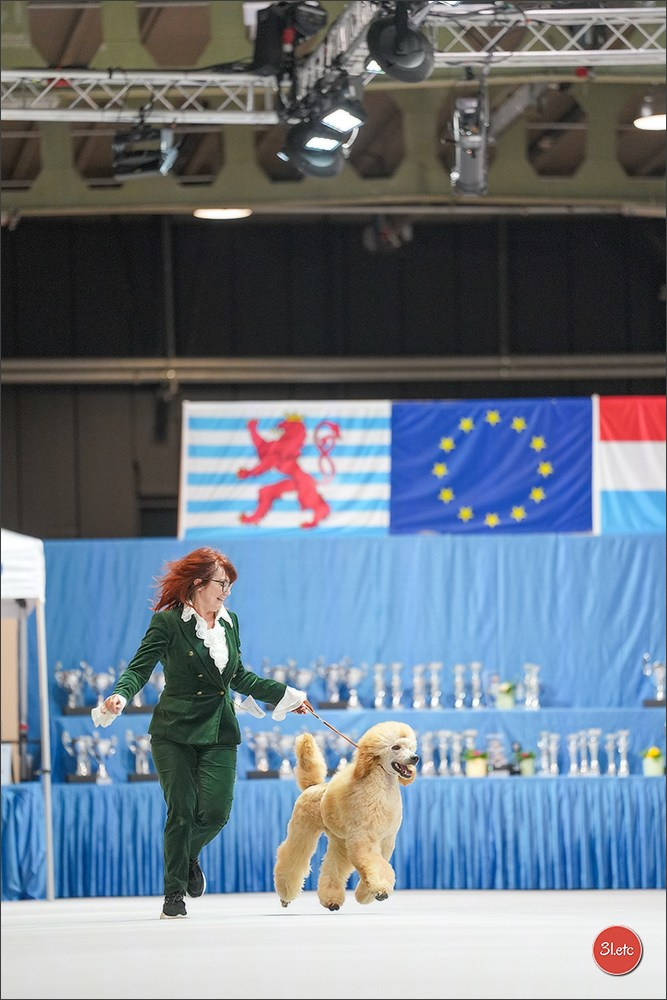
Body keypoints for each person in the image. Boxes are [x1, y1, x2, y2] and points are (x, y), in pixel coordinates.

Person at [94, 546, 312, 919]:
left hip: (219, 730)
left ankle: (188, 854)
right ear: (198, 583)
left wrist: (289, 697)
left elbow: (239, 676)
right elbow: (139, 668)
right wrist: (120, 695)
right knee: (182, 811)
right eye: (221, 584)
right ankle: (173, 894)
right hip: (174, 732)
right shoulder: (168, 623)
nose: (226, 592)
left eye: (229, 586)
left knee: (214, 813)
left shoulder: (230, 622)